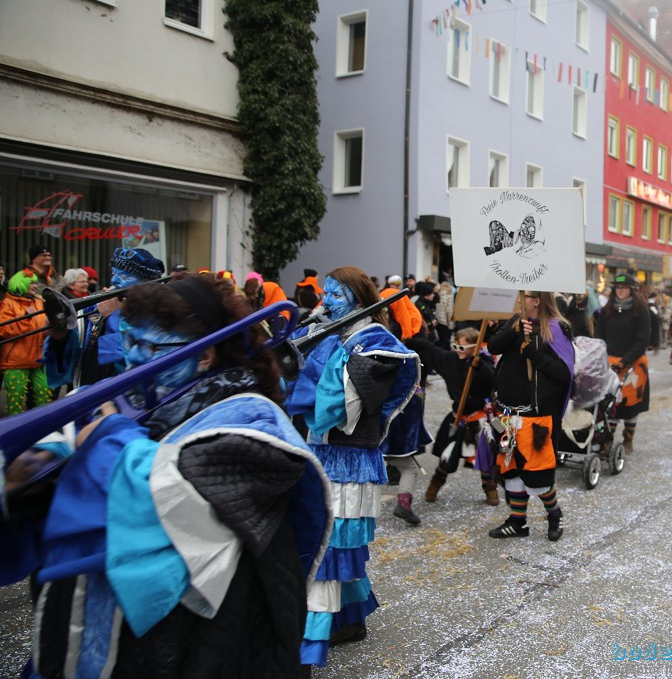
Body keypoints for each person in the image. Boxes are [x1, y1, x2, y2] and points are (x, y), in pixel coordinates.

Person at [9, 274, 333, 677]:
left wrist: (105, 439)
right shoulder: (125, 399)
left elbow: (169, 502)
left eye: (152, 347)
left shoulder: (254, 421)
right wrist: (28, 478)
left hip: (199, 640)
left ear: (204, 356)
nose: (133, 359)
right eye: (129, 341)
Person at [284, 267, 420, 663]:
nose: (327, 302)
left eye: (337, 295)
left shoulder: (376, 342)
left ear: (359, 300)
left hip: (349, 458)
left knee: (329, 545)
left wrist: (319, 353)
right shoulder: (332, 332)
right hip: (324, 454)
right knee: (333, 542)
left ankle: (312, 640)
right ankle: (348, 620)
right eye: (325, 294)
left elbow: (340, 410)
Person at [485, 291, 574, 541]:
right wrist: (514, 330)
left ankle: (554, 514)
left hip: (538, 416)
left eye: (525, 296)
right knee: (511, 470)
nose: (518, 299)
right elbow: (493, 347)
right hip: (508, 413)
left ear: (537, 301)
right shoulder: (515, 322)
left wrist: (533, 354)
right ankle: (517, 522)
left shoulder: (557, 328)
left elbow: (564, 373)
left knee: (538, 475)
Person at [44, 247, 165, 390]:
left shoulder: (157, 316)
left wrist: (113, 316)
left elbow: (132, 366)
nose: (114, 280)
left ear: (146, 285)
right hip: (88, 395)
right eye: (114, 273)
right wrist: (61, 338)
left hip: (126, 402)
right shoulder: (97, 308)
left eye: (125, 277)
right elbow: (72, 360)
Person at [409, 327, 499, 505]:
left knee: (484, 457)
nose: (458, 350)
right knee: (446, 456)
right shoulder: (450, 359)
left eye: (462, 347)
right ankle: (434, 485)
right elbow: (430, 350)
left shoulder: (484, 362)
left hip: (478, 418)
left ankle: (490, 489)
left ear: (475, 347)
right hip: (458, 417)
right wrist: (408, 339)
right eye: (455, 346)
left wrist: (479, 366)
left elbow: (492, 382)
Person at [595, 275, 651, 453]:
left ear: (632, 290)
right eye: (617, 287)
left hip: (633, 364)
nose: (620, 290)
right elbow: (599, 336)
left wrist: (625, 361)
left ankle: (628, 439)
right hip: (609, 364)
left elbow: (642, 341)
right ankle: (607, 441)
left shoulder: (641, 311)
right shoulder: (606, 311)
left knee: (630, 405)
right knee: (609, 404)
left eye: (624, 287)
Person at [0, 270, 50, 416]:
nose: (35, 286)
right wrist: (26, 318)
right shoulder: (8, 303)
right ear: (20, 283)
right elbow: (4, 329)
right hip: (16, 362)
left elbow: (44, 326)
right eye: (31, 282)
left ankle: (41, 429)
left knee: (44, 394)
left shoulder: (39, 302)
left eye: (35, 282)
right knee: (15, 402)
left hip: (39, 360)